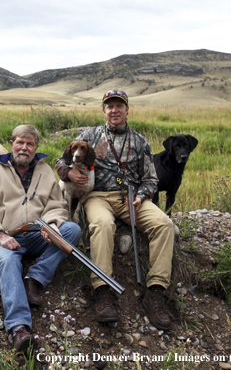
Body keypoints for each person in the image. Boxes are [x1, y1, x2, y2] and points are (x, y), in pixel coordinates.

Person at [55, 89, 175, 330]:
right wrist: (69, 174)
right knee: (102, 224)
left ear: (127, 109)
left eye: (119, 105)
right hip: (97, 195)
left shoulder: (140, 141)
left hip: (131, 198)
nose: (114, 110)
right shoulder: (89, 135)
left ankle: (156, 291)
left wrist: (141, 196)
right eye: (109, 106)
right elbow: (61, 162)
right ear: (103, 110)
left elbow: (151, 179)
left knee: (164, 224)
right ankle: (102, 290)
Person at [0, 125, 81, 353]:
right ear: (11, 143)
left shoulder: (45, 171)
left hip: (37, 234)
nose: (24, 147)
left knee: (72, 230)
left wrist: (52, 224)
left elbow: (56, 205)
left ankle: (35, 277)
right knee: (9, 260)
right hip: (6, 238)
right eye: (20, 142)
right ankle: (19, 328)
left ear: (36, 148)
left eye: (30, 143)